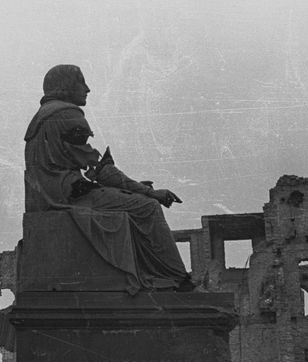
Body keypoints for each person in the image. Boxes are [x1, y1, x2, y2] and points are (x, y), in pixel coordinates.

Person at [24, 64, 192, 292]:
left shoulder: (41, 119)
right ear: (66, 86)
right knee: (148, 208)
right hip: (68, 196)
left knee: (134, 200)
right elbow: (101, 171)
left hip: (54, 192)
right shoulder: (68, 115)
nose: (88, 89)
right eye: (81, 82)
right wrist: (150, 193)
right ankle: (175, 278)